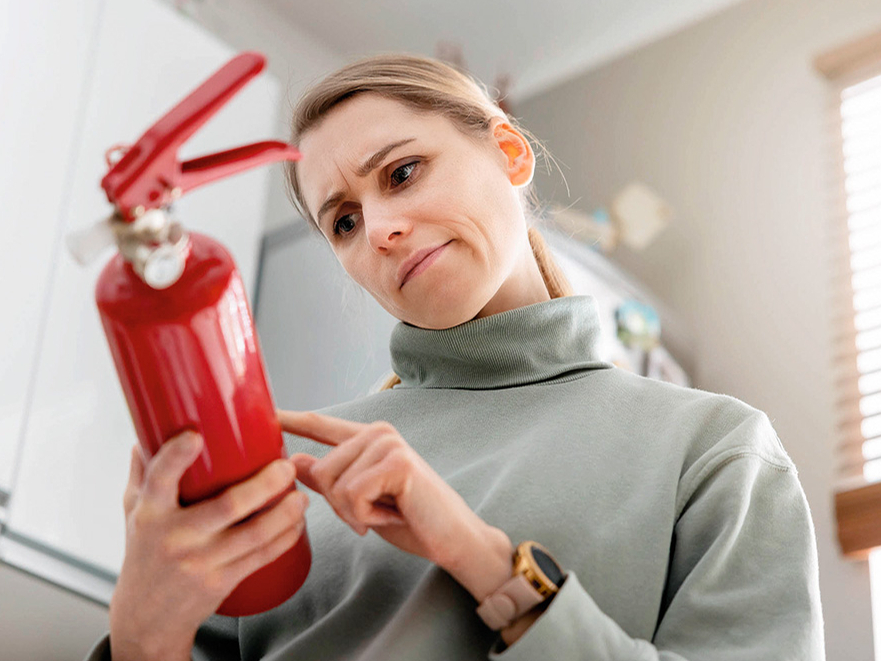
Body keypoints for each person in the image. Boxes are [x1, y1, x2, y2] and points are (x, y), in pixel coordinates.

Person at [86, 53, 825, 661]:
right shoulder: (280, 471)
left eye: (401, 173)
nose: (378, 228)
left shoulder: (712, 448)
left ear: (509, 152)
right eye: (342, 221)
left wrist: (484, 560)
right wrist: (143, 630)